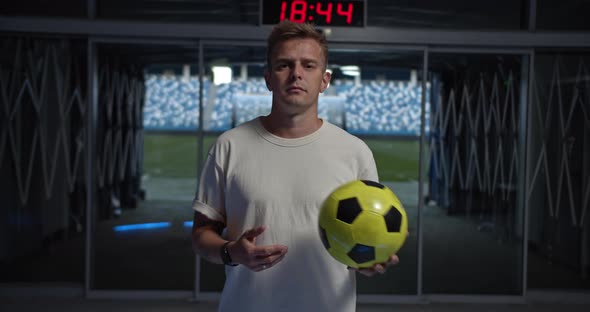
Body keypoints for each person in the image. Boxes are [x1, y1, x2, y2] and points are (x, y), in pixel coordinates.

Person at [191, 20, 400, 312]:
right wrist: (231, 251)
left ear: (324, 80)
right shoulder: (230, 146)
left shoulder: (355, 152)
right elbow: (201, 235)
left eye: (308, 65)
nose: (296, 74)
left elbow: (362, 239)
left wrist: (366, 260)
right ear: (268, 77)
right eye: (284, 65)